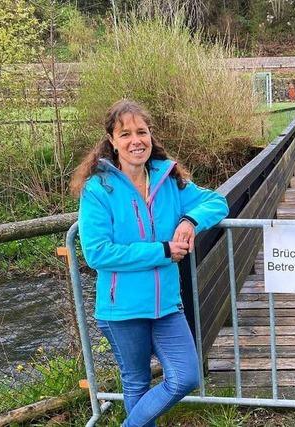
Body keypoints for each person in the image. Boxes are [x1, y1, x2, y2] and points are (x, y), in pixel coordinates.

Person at [70, 99, 229, 426]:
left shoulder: (167, 181)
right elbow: (98, 252)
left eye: (141, 132)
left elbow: (217, 201)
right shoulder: (99, 189)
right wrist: (162, 251)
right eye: (125, 134)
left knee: (186, 376)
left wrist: (189, 221)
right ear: (112, 140)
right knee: (137, 383)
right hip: (122, 309)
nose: (135, 140)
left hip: (167, 306)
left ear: (151, 136)